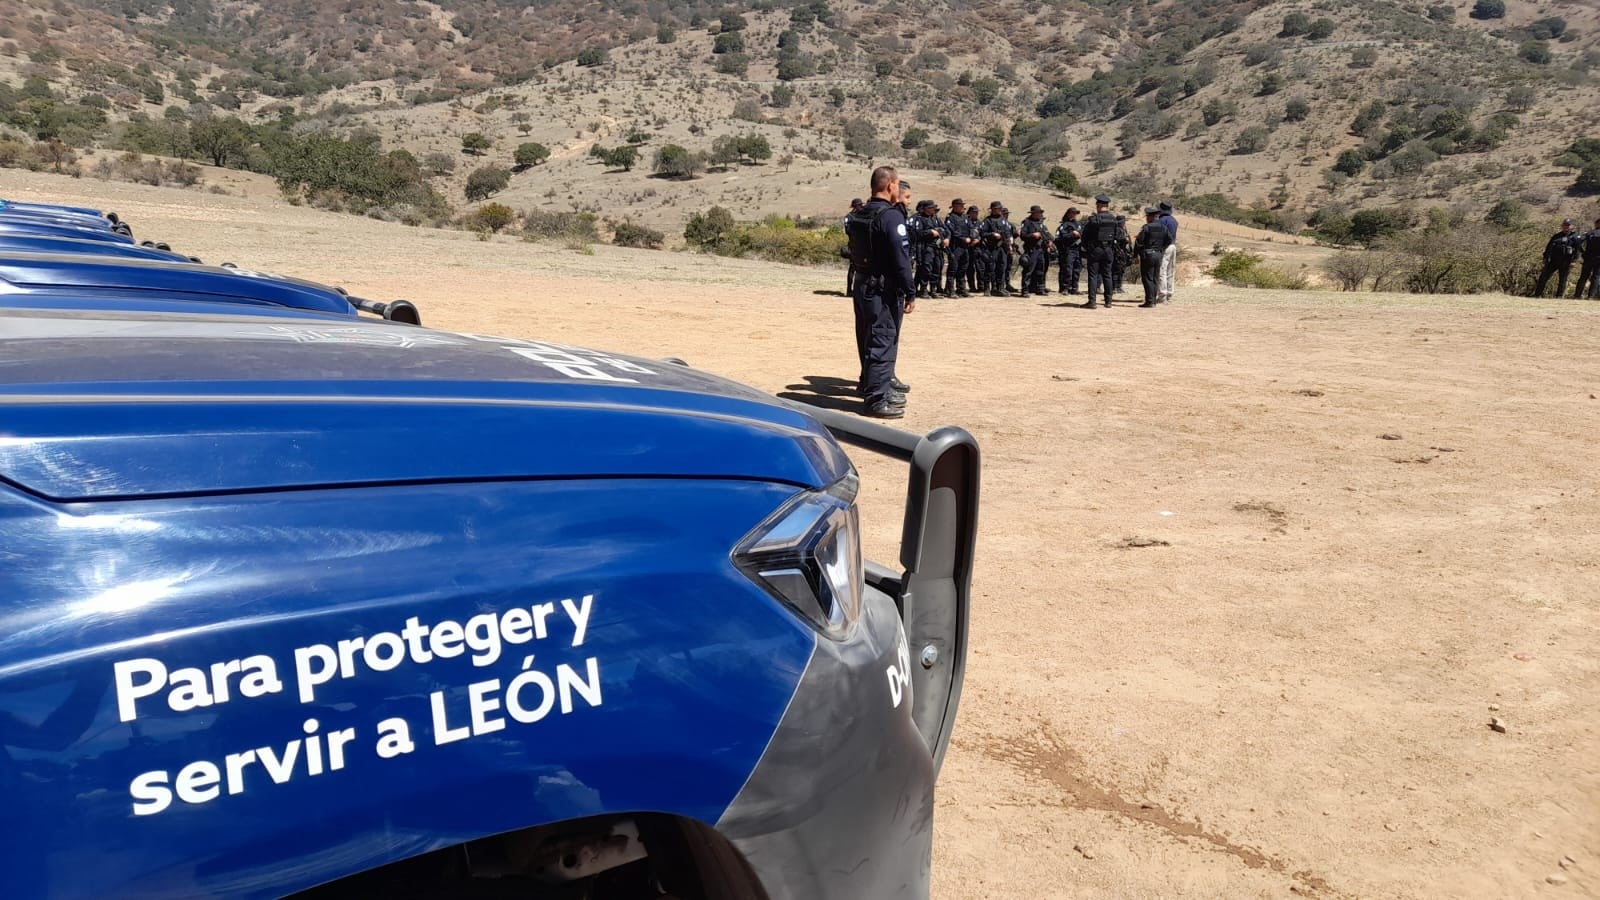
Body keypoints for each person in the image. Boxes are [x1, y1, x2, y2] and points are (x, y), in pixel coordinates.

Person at [845, 167, 916, 419]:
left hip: (862, 283)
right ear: (890, 186)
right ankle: (876, 400)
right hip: (883, 288)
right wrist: (910, 291)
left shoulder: (859, 214)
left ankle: (869, 385)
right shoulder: (891, 217)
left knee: (866, 336)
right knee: (883, 340)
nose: (898, 188)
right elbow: (901, 258)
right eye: (897, 184)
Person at [1077, 195, 1124, 309]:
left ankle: (1092, 302)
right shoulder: (1114, 220)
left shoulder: (1094, 220)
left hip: (1095, 250)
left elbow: (1085, 236)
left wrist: (1086, 247)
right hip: (1109, 250)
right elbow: (1120, 235)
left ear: (1098, 205)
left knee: (1093, 275)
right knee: (1107, 274)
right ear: (1107, 206)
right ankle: (1108, 301)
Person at [1133, 207, 1174, 308]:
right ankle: (1154, 301)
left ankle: (1149, 301)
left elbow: (1138, 242)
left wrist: (1135, 255)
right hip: (1158, 255)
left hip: (1148, 255)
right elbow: (1169, 240)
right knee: (1155, 278)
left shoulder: (1146, 228)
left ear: (1151, 217)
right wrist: (1161, 248)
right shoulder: (1163, 227)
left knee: (1147, 278)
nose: (1146, 218)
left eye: (1147, 216)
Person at [1532, 218, 1582, 298]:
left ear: (1572, 226)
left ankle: (1559, 297)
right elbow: (1548, 247)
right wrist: (1545, 257)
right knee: (1543, 277)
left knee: (1562, 280)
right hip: (1553, 261)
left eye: (1568, 225)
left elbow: (1577, 250)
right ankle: (1537, 294)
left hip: (1566, 262)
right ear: (1562, 226)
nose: (1566, 227)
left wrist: (1574, 261)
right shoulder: (1556, 236)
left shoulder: (1575, 237)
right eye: (1564, 225)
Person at [909, 199, 945, 297]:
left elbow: (943, 229)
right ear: (926, 209)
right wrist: (930, 232)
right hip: (926, 247)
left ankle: (933, 290)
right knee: (926, 268)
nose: (934, 210)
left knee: (936, 268)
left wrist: (944, 238)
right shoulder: (920, 219)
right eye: (931, 208)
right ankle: (923, 289)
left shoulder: (935, 218)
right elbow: (917, 233)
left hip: (937, 247)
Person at [1018, 205, 1052, 296]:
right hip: (1031, 249)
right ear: (1033, 213)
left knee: (1040, 270)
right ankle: (1025, 290)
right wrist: (1032, 235)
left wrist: (1049, 242)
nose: (1039, 214)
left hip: (1041, 249)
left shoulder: (1040, 223)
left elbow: (1046, 235)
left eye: (1040, 213)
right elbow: (1023, 235)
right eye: (1038, 212)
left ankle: (1040, 289)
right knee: (1028, 270)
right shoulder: (1027, 222)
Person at [944, 199, 974, 297]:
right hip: (955, 246)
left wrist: (971, 237)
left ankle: (961, 289)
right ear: (955, 206)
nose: (962, 207)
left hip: (965, 247)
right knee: (953, 268)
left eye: (963, 205)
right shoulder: (950, 218)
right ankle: (950, 290)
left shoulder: (966, 217)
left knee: (963, 268)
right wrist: (963, 238)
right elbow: (952, 231)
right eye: (960, 205)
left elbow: (971, 228)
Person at [978, 201, 1008, 296]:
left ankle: (999, 288)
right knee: (990, 268)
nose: (999, 210)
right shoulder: (988, 220)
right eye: (997, 209)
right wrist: (992, 234)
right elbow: (982, 233)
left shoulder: (1003, 220)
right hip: (991, 248)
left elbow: (1007, 232)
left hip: (1002, 247)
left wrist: (1009, 243)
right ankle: (987, 288)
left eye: (1000, 208)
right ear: (993, 210)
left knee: (1001, 267)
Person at [1571, 217, 1600, 300]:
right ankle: (1590, 296)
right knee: (1596, 277)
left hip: (1588, 258)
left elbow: (1578, 241)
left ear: (1596, 224)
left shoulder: (1590, 233)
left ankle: (1577, 295)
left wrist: (1582, 251)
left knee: (1583, 277)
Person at [1056, 208, 1083, 295]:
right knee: (1067, 269)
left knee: (1077, 269)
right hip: (1068, 249)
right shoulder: (1064, 225)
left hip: (1077, 249)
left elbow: (1083, 233)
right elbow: (1061, 237)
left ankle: (1074, 288)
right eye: (1072, 213)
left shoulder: (1079, 224)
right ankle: (1065, 288)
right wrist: (1072, 234)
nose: (1074, 215)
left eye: (1075, 213)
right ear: (1068, 214)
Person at [1156, 201, 1178, 303]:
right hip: (1173, 245)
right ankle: (1169, 293)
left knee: (1162, 271)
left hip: (1165, 247)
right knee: (1170, 271)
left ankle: (1162, 295)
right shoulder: (1174, 220)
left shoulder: (1161, 220)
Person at [844, 198, 864, 295]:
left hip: (863, 245)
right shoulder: (849, 217)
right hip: (854, 244)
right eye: (859, 205)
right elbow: (848, 231)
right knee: (852, 268)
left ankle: (859, 290)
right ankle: (849, 290)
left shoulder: (863, 215)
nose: (861, 207)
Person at [964, 205, 982, 294]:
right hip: (968, 248)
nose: (976, 214)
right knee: (970, 268)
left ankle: (981, 286)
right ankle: (972, 286)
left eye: (977, 212)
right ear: (969, 213)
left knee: (980, 267)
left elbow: (983, 233)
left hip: (978, 248)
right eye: (974, 212)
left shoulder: (980, 223)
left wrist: (978, 239)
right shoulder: (966, 221)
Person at [1111, 215, 1130, 295]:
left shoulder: (1123, 230)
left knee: (1121, 270)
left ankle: (1119, 286)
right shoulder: (1117, 230)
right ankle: (1114, 287)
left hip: (1123, 253)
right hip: (1118, 252)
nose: (1124, 223)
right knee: (1116, 270)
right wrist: (1125, 239)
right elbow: (1117, 240)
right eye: (1123, 221)